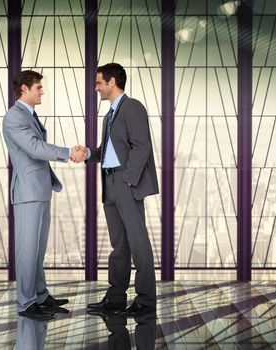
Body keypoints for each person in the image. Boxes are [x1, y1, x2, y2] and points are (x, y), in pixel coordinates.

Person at [2, 70, 88, 319]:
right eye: (38, 87)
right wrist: (67, 152)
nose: (42, 91)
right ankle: (27, 303)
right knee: (27, 250)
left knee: (37, 249)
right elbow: (34, 147)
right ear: (24, 90)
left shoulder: (29, 114)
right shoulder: (13, 117)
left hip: (39, 190)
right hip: (28, 192)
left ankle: (40, 295)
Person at [82, 63, 159, 317]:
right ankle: (116, 297)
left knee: (138, 242)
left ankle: (145, 301)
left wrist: (128, 180)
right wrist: (89, 153)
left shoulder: (133, 107)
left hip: (126, 183)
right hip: (109, 183)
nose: (96, 88)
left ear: (112, 82)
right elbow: (107, 151)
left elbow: (141, 146)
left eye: (98, 83)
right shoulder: (109, 116)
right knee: (119, 244)